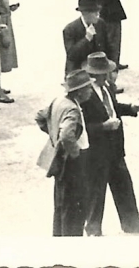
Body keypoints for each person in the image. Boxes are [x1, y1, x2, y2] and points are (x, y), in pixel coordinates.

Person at [79, 53, 139, 235]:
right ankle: (93, 228)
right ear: (95, 74)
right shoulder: (85, 95)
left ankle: (131, 222)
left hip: (115, 148)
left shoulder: (107, 88)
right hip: (97, 152)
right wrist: (103, 127)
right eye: (105, 72)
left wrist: (131, 108)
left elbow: (113, 108)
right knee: (96, 191)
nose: (110, 75)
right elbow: (80, 126)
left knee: (123, 185)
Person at [36, 69, 94, 236]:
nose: (90, 91)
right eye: (88, 88)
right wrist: (74, 152)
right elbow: (67, 135)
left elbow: (40, 117)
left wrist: (53, 136)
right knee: (75, 208)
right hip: (72, 163)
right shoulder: (72, 110)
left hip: (61, 161)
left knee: (62, 205)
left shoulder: (59, 101)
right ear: (80, 91)